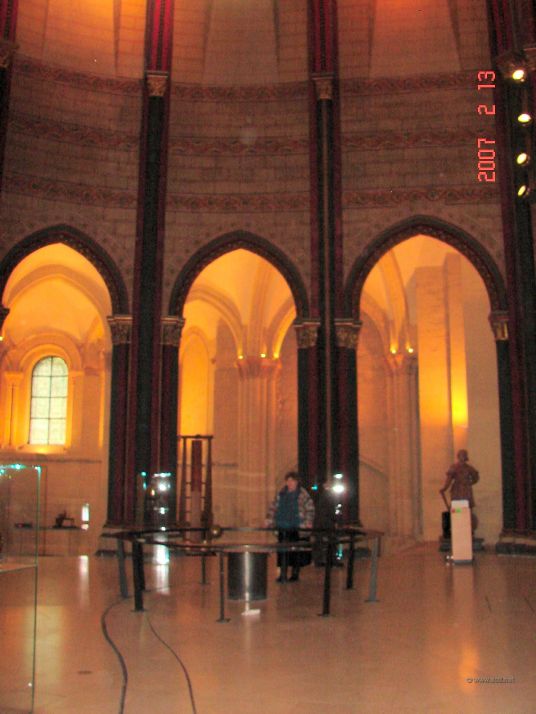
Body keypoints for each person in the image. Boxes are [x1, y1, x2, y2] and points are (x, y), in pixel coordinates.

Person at [266, 471, 315, 582]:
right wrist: (269, 519)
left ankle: (294, 573)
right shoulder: (281, 493)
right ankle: (282, 574)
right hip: (282, 526)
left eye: (292, 480)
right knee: (282, 551)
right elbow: (273, 506)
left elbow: (310, 508)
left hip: (296, 526)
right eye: (288, 480)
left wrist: (308, 521)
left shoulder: (303, 494)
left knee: (295, 551)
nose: (289, 483)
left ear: (297, 482)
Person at [439, 449, 479, 531]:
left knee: (467, 508)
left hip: (466, 490)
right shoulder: (454, 467)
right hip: (457, 490)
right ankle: (457, 525)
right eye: (461, 455)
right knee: (457, 508)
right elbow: (449, 479)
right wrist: (445, 488)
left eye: (464, 455)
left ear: (466, 457)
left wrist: (470, 483)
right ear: (458, 457)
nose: (462, 457)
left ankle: (468, 527)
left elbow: (476, 477)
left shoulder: (469, 468)